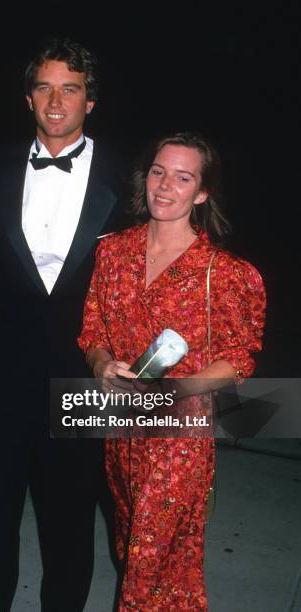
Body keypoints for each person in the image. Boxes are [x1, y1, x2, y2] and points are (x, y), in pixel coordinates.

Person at [0, 38, 126, 612]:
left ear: (91, 101)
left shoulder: (130, 176)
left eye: (71, 88)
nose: (57, 99)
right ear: (28, 97)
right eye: (45, 86)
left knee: (69, 523)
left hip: (83, 377)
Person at [78, 131, 266, 610]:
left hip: (180, 441)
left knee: (147, 561)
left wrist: (172, 390)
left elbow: (240, 356)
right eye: (159, 172)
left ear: (201, 192)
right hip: (121, 431)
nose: (166, 186)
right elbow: (92, 330)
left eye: (183, 178)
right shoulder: (112, 253)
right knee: (141, 555)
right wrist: (102, 366)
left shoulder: (224, 274)